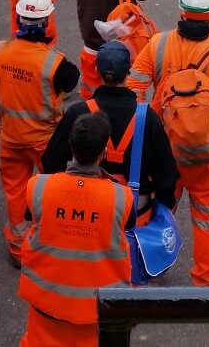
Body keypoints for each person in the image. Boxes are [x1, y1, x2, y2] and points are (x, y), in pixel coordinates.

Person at [129, 0, 209, 287]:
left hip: (164, 149)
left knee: (158, 208)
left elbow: (134, 91)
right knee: (208, 218)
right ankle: (207, 280)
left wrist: (156, 122)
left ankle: (149, 265)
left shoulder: (157, 44)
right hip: (207, 154)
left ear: (181, 11)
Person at [17, 110, 133, 346]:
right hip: (95, 310)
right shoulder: (121, 197)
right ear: (104, 152)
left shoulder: (39, 187)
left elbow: (30, 215)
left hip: (44, 303)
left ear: (71, 146)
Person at [42, 41, 179, 221]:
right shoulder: (148, 118)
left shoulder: (78, 113)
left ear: (97, 70)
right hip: (133, 214)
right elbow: (166, 175)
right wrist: (163, 206)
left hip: (84, 212)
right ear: (128, 71)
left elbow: (52, 162)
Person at [0, 0, 80, 265]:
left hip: (10, 136)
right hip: (44, 140)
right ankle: (51, 243)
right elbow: (71, 81)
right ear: (47, 22)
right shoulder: (55, 63)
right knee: (52, 192)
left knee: (16, 190)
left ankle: (18, 246)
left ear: (18, 19)